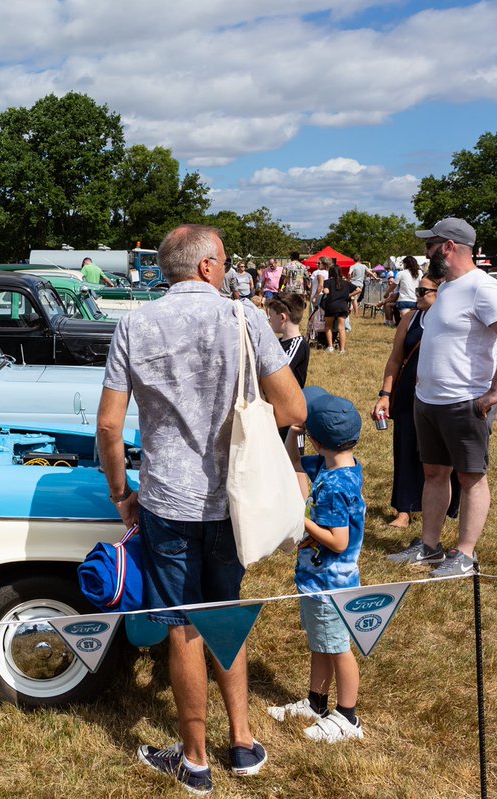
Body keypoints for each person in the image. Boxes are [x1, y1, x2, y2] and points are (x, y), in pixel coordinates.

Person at [97, 224, 306, 794]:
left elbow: (110, 426)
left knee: (183, 626)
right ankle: (242, 742)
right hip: (234, 498)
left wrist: (121, 493)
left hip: (167, 497)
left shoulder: (135, 323)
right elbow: (294, 409)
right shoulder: (243, 317)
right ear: (208, 266)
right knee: (225, 611)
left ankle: (194, 760)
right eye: (225, 260)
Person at [391, 218, 497, 577]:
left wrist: (494, 392)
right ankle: (430, 547)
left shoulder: (482, 288)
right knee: (434, 472)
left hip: (466, 401)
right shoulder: (448, 287)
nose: (425, 252)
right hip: (429, 401)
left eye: (430, 245)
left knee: (471, 477)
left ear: (449, 247)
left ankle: (464, 555)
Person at [269, 387, 366, 743]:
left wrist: (301, 519)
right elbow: (293, 464)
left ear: (317, 440)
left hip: (330, 585)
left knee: (338, 649)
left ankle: (348, 717)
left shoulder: (335, 487)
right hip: (318, 581)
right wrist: (295, 433)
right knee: (321, 643)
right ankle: (316, 702)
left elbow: (338, 541)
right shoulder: (336, 467)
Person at [372, 276, 459, 529]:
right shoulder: (410, 318)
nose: (417, 294)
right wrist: (385, 394)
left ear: (441, 292)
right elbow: (395, 359)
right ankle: (405, 509)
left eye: (423, 290)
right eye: (417, 289)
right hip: (409, 394)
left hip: (444, 396)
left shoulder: (454, 320)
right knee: (406, 449)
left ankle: (449, 506)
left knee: (446, 454)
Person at [266, 293, 309, 388]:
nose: (269, 319)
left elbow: (278, 373)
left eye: (271, 316)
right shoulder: (280, 341)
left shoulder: (298, 345)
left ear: (282, 317)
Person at [320, 264, 358, 353]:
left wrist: (324, 290)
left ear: (330, 273)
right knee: (341, 328)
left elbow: (326, 291)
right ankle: (342, 349)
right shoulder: (346, 283)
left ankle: (330, 347)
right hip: (342, 306)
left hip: (331, 306)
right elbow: (359, 289)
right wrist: (348, 295)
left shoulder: (327, 282)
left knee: (328, 326)